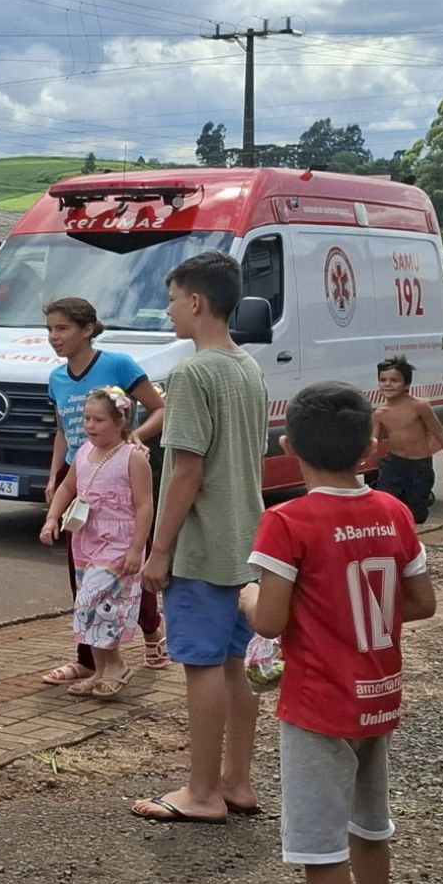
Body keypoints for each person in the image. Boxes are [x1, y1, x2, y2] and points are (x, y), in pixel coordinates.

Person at [240, 381, 437, 884]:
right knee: (372, 828)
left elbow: (270, 619)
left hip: (318, 704)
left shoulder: (287, 521)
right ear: (370, 447)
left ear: (288, 448)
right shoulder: (394, 512)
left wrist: (248, 596)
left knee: (321, 852)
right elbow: (422, 601)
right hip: (378, 696)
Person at [130, 252, 270, 825]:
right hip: (248, 541)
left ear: (196, 302)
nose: (167, 311)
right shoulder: (248, 367)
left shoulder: (191, 373)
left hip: (204, 545)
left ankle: (202, 792)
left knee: (202, 665)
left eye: (170, 299)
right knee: (236, 664)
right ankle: (237, 781)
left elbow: (185, 470)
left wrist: (158, 550)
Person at [39, 297, 170, 684]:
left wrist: (132, 439)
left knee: (125, 565)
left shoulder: (119, 365)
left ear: (87, 329)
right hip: (79, 474)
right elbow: (64, 430)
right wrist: (54, 477)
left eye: (62, 328)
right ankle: (88, 658)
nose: (54, 337)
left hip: (119, 472)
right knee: (83, 571)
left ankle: (150, 629)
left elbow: (160, 409)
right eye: (49, 329)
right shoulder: (57, 378)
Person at [40, 387, 154, 697]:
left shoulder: (133, 458)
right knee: (87, 604)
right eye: (87, 419)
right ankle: (101, 668)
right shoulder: (82, 454)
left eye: (99, 420)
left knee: (103, 601)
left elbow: (145, 505)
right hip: (86, 539)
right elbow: (66, 488)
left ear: (120, 421)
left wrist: (136, 549)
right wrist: (52, 518)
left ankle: (115, 663)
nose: (90, 426)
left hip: (119, 542)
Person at [373, 355, 443, 523]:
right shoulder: (380, 414)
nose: (387, 384)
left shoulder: (419, 406)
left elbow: (440, 434)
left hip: (419, 467)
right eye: (383, 380)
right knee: (385, 508)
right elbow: (372, 441)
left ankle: (412, 542)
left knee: (416, 514)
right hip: (393, 465)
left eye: (394, 380)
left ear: (406, 384)